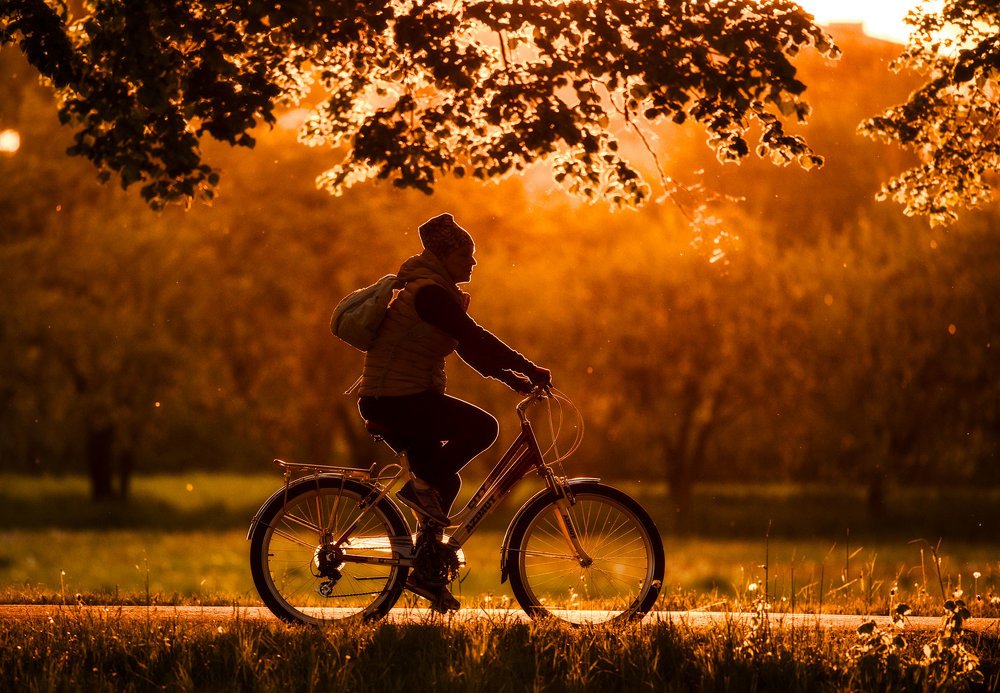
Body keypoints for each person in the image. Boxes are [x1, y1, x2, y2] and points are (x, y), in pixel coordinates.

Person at [357, 212, 551, 610]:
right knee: (483, 428)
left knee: (443, 486)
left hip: (401, 398)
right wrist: (530, 367)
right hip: (395, 400)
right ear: (445, 257)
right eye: (466, 254)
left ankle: (427, 574)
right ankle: (420, 486)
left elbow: (466, 347)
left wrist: (511, 378)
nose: (474, 263)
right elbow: (474, 335)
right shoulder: (430, 294)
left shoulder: (435, 293)